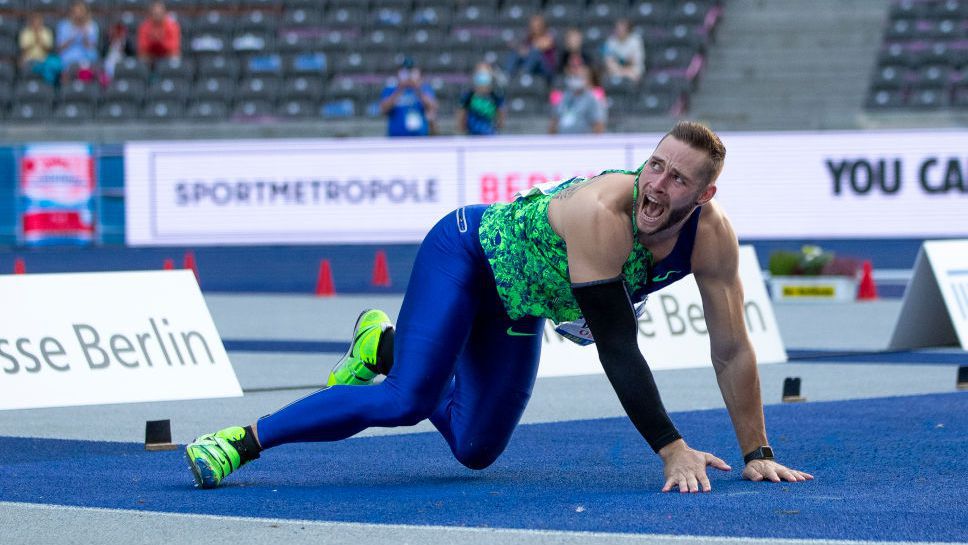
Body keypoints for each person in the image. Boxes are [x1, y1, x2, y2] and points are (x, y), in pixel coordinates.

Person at [186, 121, 814, 493]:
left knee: (476, 450)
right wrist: (672, 447)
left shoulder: (713, 239)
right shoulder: (606, 214)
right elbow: (618, 346)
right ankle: (240, 442)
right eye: (655, 165)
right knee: (404, 401)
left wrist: (756, 452)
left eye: (678, 179)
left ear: (705, 194)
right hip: (466, 255)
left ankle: (383, 347)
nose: (657, 185)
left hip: (518, 305)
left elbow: (731, 345)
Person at [379, 57, 437, 137]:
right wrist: (400, 89)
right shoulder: (391, 89)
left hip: (420, 138)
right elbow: (383, 109)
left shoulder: (424, 88)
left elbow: (433, 107)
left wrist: (417, 88)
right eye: (405, 71)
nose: (408, 74)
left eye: (411, 71)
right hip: (396, 139)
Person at [549, 64, 607, 135]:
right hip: (562, 141)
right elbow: (554, 121)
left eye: (579, 77)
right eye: (573, 76)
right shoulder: (563, 97)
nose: (576, 79)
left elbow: (599, 125)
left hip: (582, 142)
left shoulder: (592, 99)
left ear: (587, 80)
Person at [456, 62, 505, 136]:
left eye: (485, 75)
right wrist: (463, 130)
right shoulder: (468, 96)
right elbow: (461, 114)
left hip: (490, 134)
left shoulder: (495, 96)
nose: (482, 79)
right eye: (480, 74)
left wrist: (497, 127)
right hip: (472, 135)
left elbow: (501, 114)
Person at [504, 14, 556, 82]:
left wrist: (525, 50)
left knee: (535, 53)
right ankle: (507, 74)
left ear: (543, 26)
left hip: (546, 69)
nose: (535, 28)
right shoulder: (528, 39)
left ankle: (523, 73)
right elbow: (520, 49)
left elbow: (540, 46)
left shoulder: (549, 37)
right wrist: (521, 49)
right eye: (532, 26)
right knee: (515, 52)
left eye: (538, 26)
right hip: (532, 66)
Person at [56, 1, 99, 77]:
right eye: (75, 12)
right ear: (71, 13)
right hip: (68, 56)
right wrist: (72, 36)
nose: (78, 15)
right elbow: (60, 48)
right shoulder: (63, 25)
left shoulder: (92, 26)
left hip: (87, 56)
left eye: (80, 12)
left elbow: (91, 47)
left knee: (91, 60)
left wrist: (85, 34)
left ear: (85, 13)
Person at [18, 13, 61, 85]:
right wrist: (34, 39)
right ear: (31, 22)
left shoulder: (47, 32)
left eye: (38, 21)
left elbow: (49, 49)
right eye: (34, 21)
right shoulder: (25, 32)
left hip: (44, 59)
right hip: (29, 59)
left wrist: (40, 40)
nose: (36, 24)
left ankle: (49, 87)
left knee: (52, 66)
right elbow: (23, 49)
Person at [137, 1, 180, 66]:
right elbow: (142, 46)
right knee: (142, 56)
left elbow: (173, 46)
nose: (157, 16)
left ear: (164, 13)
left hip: (166, 55)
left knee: (175, 56)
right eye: (155, 13)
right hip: (150, 56)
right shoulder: (144, 26)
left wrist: (160, 40)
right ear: (150, 14)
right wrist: (153, 41)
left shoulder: (172, 26)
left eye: (159, 13)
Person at [603, 19, 646, 84]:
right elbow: (609, 61)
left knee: (634, 76)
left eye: (622, 29)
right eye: (617, 28)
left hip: (633, 70)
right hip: (615, 70)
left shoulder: (635, 41)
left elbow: (635, 61)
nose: (619, 31)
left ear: (628, 30)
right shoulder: (610, 41)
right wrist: (620, 69)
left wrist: (624, 68)